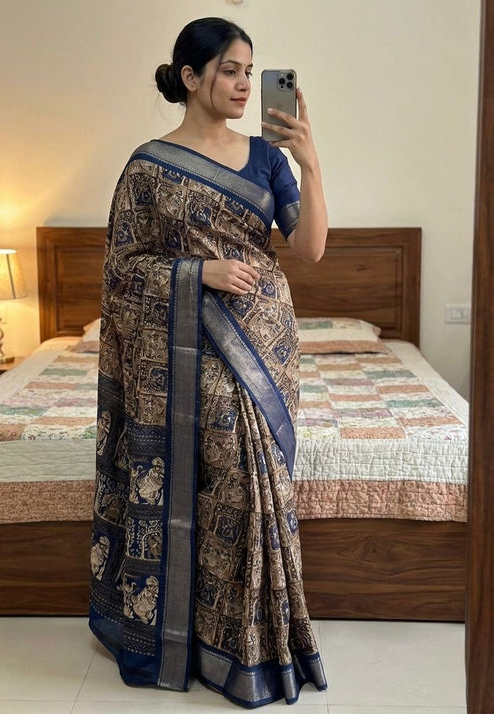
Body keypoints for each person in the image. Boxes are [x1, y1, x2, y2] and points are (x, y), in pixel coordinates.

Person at [89, 16, 328, 708]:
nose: (245, 85)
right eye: (230, 70)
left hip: (263, 344)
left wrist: (310, 162)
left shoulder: (267, 159)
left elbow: (310, 249)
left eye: (250, 71)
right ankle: (183, 639)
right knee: (215, 477)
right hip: (182, 352)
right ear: (191, 77)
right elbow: (121, 271)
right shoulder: (147, 165)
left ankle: (248, 644)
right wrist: (200, 273)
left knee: (250, 487)